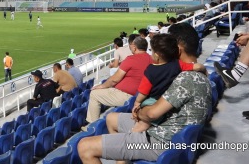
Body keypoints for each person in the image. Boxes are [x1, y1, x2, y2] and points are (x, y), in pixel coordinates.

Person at [77, 23, 211, 164]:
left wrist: (138, 111)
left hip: (160, 140)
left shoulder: (185, 77)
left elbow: (152, 114)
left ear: (178, 49)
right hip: (168, 130)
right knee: (111, 118)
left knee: (84, 146)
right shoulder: (196, 74)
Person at [130, 33, 206, 133]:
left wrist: (137, 103)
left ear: (157, 55)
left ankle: (132, 136)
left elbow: (143, 92)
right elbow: (197, 66)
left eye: (152, 51)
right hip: (167, 102)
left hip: (153, 102)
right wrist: (204, 70)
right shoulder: (178, 64)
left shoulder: (151, 70)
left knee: (141, 125)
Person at [83, 36, 153, 127]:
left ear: (134, 47)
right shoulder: (151, 59)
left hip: (127, 96)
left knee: (94, 94)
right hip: (136, 95)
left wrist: (102, 86)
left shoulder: (131, 59)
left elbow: (114, 79)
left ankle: (92, 126)